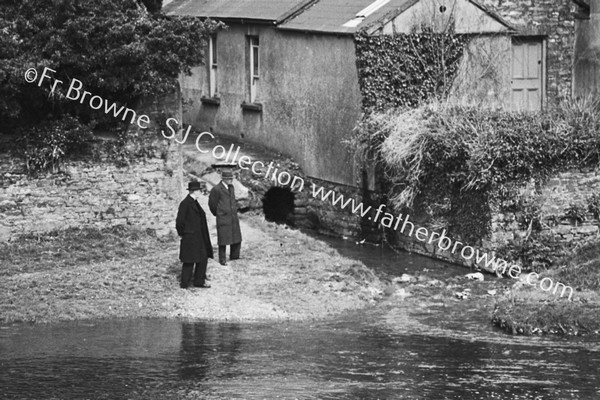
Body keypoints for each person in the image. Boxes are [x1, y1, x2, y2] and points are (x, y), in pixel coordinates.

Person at [176, 181, 214, 289]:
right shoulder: (185, 203)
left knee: (203, 257)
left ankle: (199, 281)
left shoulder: (195, 202)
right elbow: (179, 222)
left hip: (199, 236)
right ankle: (184, 283)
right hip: (190, 237)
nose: (200, 192)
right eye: (199, 190)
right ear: (195, 191)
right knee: (189, 260)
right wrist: (183, 234)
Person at [208, 169, 242, 265]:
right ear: (223, 179)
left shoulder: (231, 187)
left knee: (236, 236)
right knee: (223, 239)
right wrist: (219, 213)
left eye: (231, 178)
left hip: (233, 217)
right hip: (223, 218)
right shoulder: (217, 189)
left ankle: (234, 256)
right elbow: (212, 204)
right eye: (228, 178)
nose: (231, 180)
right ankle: (222, 259)